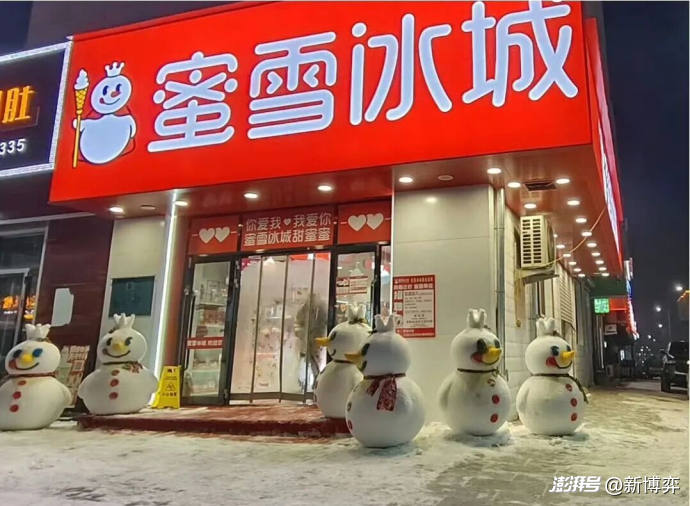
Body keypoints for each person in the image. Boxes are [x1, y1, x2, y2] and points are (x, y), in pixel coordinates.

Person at [294, 293, 328, 385]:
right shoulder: (304, 309)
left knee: (314, 360)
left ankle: (315, 379)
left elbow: (323, 325)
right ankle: (302, 380)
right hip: (306, 341)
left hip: (316, 341)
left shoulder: (321, 309)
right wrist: (300, 333)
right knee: (305, 360)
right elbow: (298, 322)